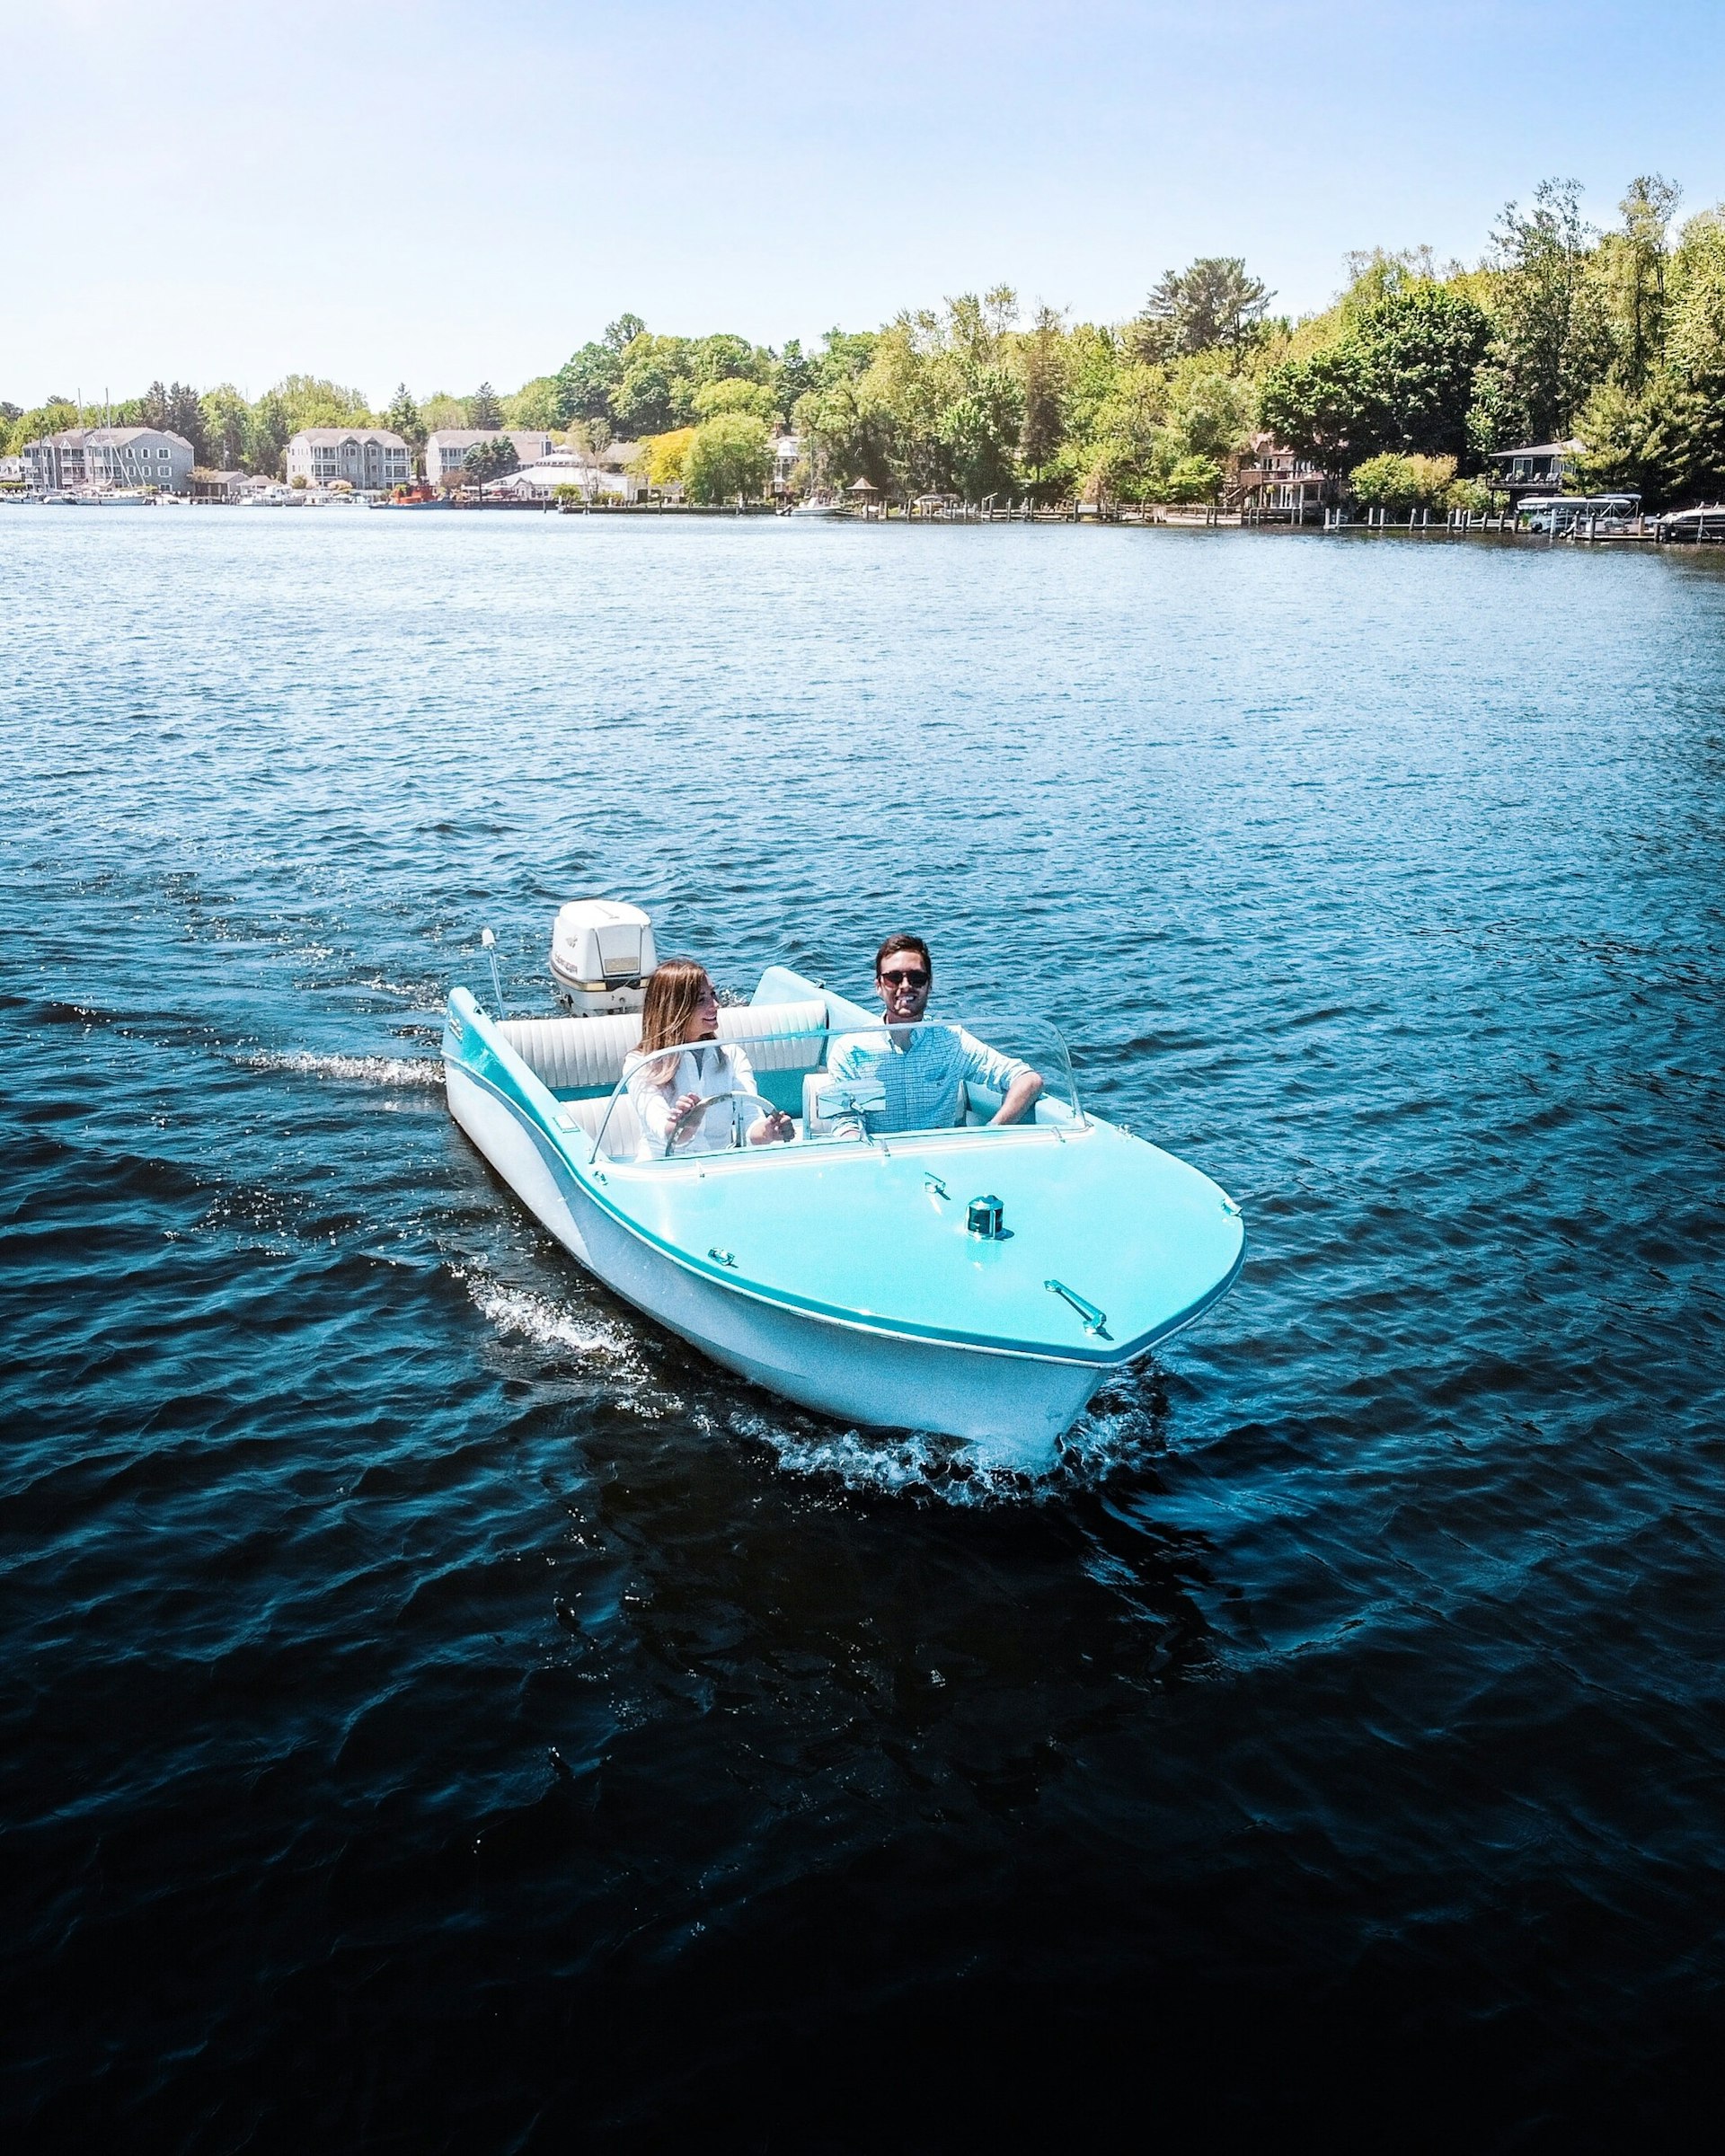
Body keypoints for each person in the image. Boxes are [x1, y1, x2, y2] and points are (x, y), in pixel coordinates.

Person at [825, 933, 1043, 1137]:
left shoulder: (953, 1041)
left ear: (929, 985)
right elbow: (845, 1122)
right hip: (880, 1162)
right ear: (879, 987)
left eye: (917, 978)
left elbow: (1027, 1080)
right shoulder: (850, 1051)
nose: (905, 986)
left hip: (940, 1164)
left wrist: (990, 1134)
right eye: (893, 978)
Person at [622, 959, 794, 1159]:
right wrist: (686, 1124)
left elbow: (750, 1122)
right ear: (674, 1007)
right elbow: (662, 1130)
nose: (716, 1005)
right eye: (701, 1000)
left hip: (717, 1170)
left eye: (713, 994)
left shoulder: (732, 1055)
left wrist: (769, 1131)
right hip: (663, 1170)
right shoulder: (640, 1063)